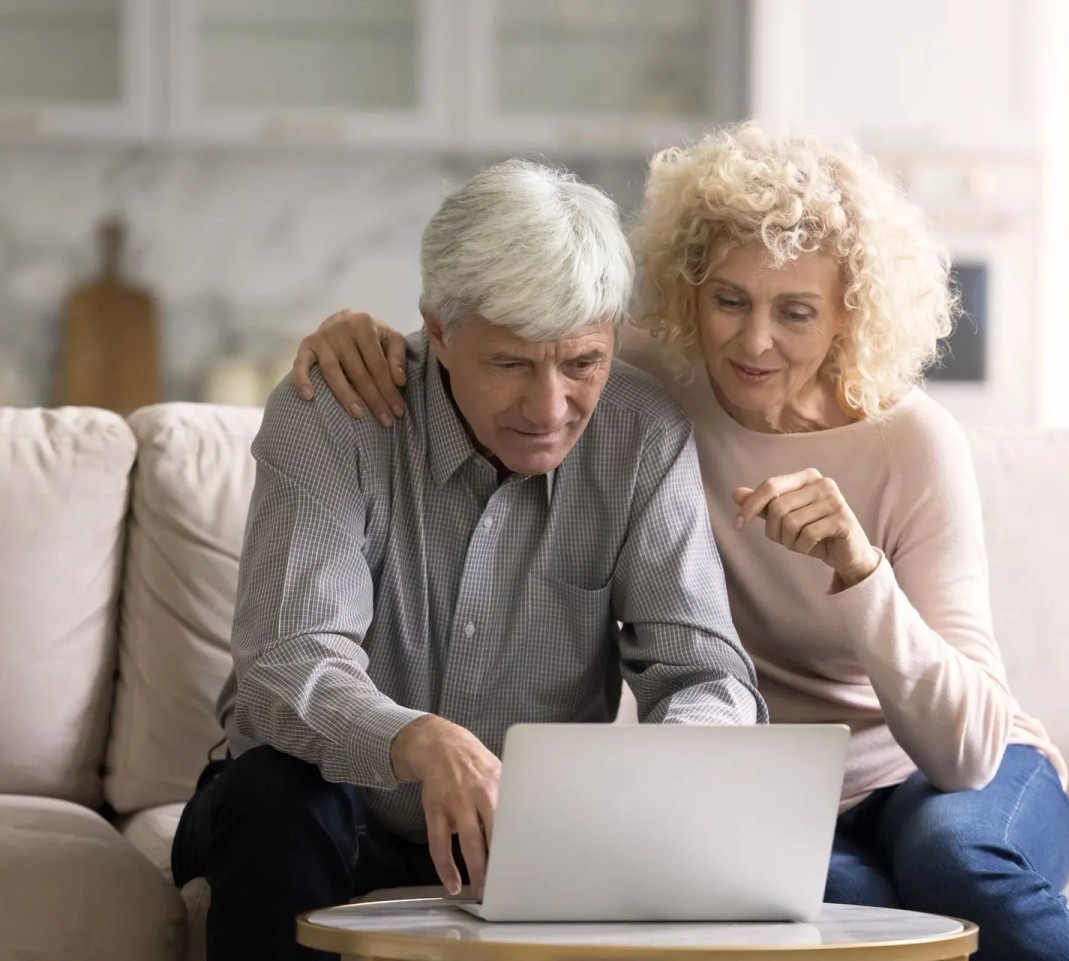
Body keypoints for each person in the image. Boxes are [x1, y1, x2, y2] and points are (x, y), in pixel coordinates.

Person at [295, 125, 1069, 961]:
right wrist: (353, 334)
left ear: (848, 314)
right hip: (768, 784)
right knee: (839, 900)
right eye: (729, 300)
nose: (754, 342)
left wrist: (861, 573)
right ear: (690, 291)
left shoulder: (912, 443)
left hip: (946, 770)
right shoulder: (647, 388)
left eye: (796, 311)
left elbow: (966, 748)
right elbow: (503, 332)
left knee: (951, 858)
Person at [172, 159, 767, 961]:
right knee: (276, 795)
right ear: (440, 331)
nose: (550, 409)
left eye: (582, 363)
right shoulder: (334, 416)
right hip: (332, 812)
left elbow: (706, 673)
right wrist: (421, 740)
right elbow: (287, 662)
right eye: (512, 364)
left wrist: (672, 760)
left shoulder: (642, 435)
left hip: (537, 838)